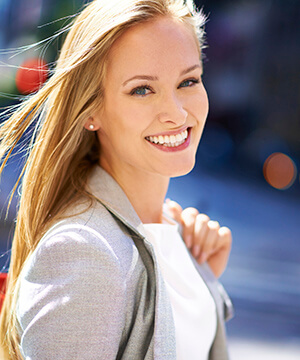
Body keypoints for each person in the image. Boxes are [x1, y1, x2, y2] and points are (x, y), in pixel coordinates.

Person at [0, 0, 233, 359]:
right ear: (90, 110)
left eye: (188, 81)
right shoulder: (84, 250)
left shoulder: (177, 238)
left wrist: (199, 278)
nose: (177, 112)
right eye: (142, 89)